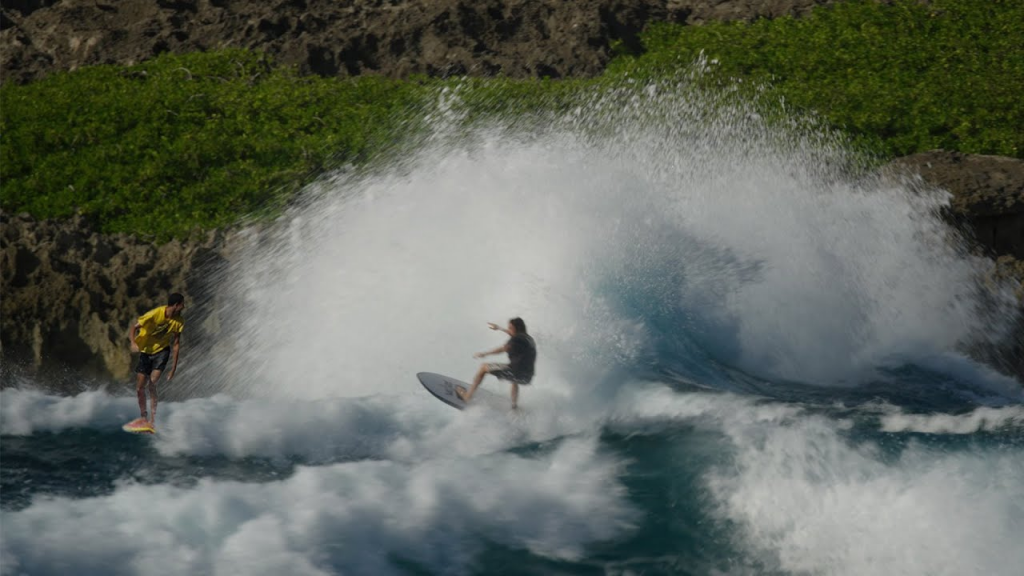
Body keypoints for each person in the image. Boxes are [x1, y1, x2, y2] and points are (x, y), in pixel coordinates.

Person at [128, 293, 185, 425]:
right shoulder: (154, 314)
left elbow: (176, 344)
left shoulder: (179, 321)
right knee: (139, 388)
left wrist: (173, 369)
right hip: (146, 352)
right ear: (176, 305)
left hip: (162, 352)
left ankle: (153, 419)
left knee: (152, 383)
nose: (184, 307)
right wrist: (133, 342)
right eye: (182, 304)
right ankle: (143, 416)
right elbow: (134, 327)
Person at [457, 317, 536, 409]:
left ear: (516, 328)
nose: (509, 329)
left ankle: (467, 397)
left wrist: (484, 354)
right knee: (515, 380)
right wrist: (499, 328)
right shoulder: (528, 339)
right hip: (527, 377)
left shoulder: (516, 340)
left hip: (514, 372)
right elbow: (513, 334)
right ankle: (514, 406)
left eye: (510, 327)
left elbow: (504, 348)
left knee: (483, 367)